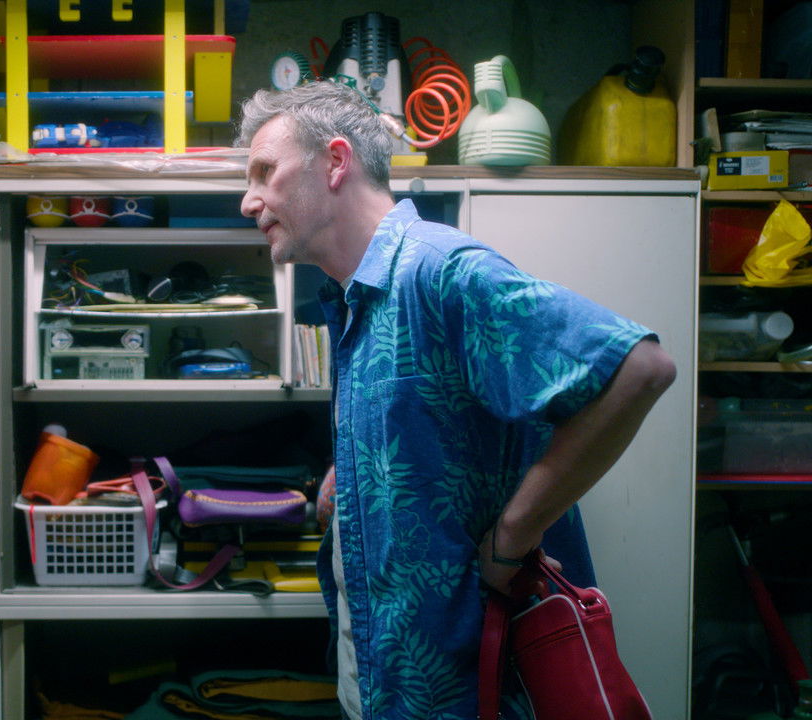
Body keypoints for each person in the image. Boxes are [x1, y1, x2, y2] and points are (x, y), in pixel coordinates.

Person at [236, 81, 677, 720]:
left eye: (264, 172)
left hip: (466, 686)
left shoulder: (439, 270)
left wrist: (512, 537)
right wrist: (355, 475)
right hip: (385, 679)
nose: (248, 200)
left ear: (335, 162)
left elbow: (639, 369)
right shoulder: (358, 297)